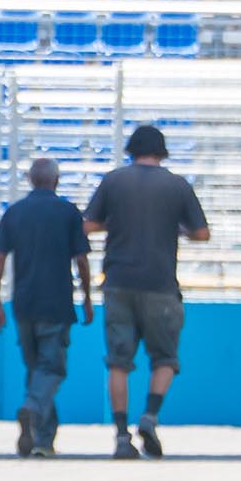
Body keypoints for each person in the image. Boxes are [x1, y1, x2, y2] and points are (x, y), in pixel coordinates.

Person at [85, 122, 209, 458]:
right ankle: (150, 416)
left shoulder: (114, 181)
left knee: (118, 363)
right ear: (162, 151)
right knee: (165, 358)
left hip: (118, 283)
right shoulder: (177, 185)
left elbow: (89, 225)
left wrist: (118, 224)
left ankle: (121, 435)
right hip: (161, 285)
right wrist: (174, 229)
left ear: (132, 150)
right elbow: (201, 233)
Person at [0, 156, 92, 457]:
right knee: (52, 369)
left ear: (31, 181)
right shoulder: (68, 213)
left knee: (37, 371)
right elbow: (81, 260)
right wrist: (86, 297)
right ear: (56, 180)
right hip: (57, 303)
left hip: (24, 303)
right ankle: (33, 410)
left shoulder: (15, 213)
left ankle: (43, 440)